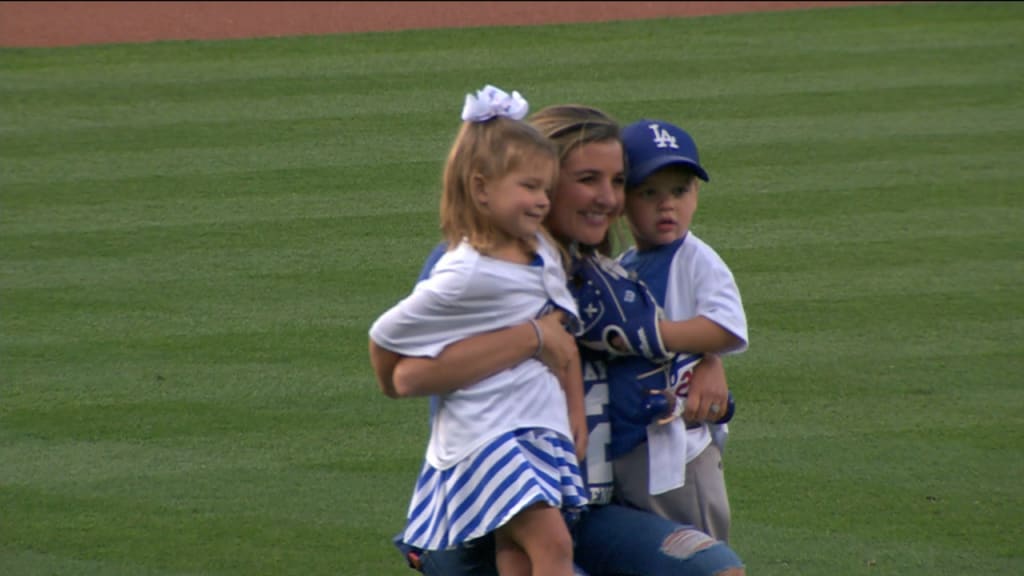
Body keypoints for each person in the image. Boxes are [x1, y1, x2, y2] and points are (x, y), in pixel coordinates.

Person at [374, 102, 746, 576]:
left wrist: (707, 357)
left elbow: (649, 336)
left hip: (584, 511)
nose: (609, 199)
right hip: (490, 520)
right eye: (588, 179)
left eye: (617, 182)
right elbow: (404, 376)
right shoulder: (476, 264)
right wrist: (532, 338)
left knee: (717, 570)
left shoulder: (597, 275)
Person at [368, 85, 589, 576]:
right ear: (481, 187)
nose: (541, 201)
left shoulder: (541, 250)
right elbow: (386, 332)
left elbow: (558, 332)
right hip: (486, 434)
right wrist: (387, 381)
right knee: (553, 546)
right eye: (528, 187)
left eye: (546, 189)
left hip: (533, 425)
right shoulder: (464, 270)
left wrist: (572, 410)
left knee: (515, 554)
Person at [604, 119, 749, 542]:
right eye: (649, 192)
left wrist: (656, 335)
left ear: (697, 195)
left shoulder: (695, 259)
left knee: (696, 555)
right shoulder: (626, 264)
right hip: (635, 449)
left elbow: (726, 327)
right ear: (622, 200)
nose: (667, 205)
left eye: (680, 191)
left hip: (682, 454)